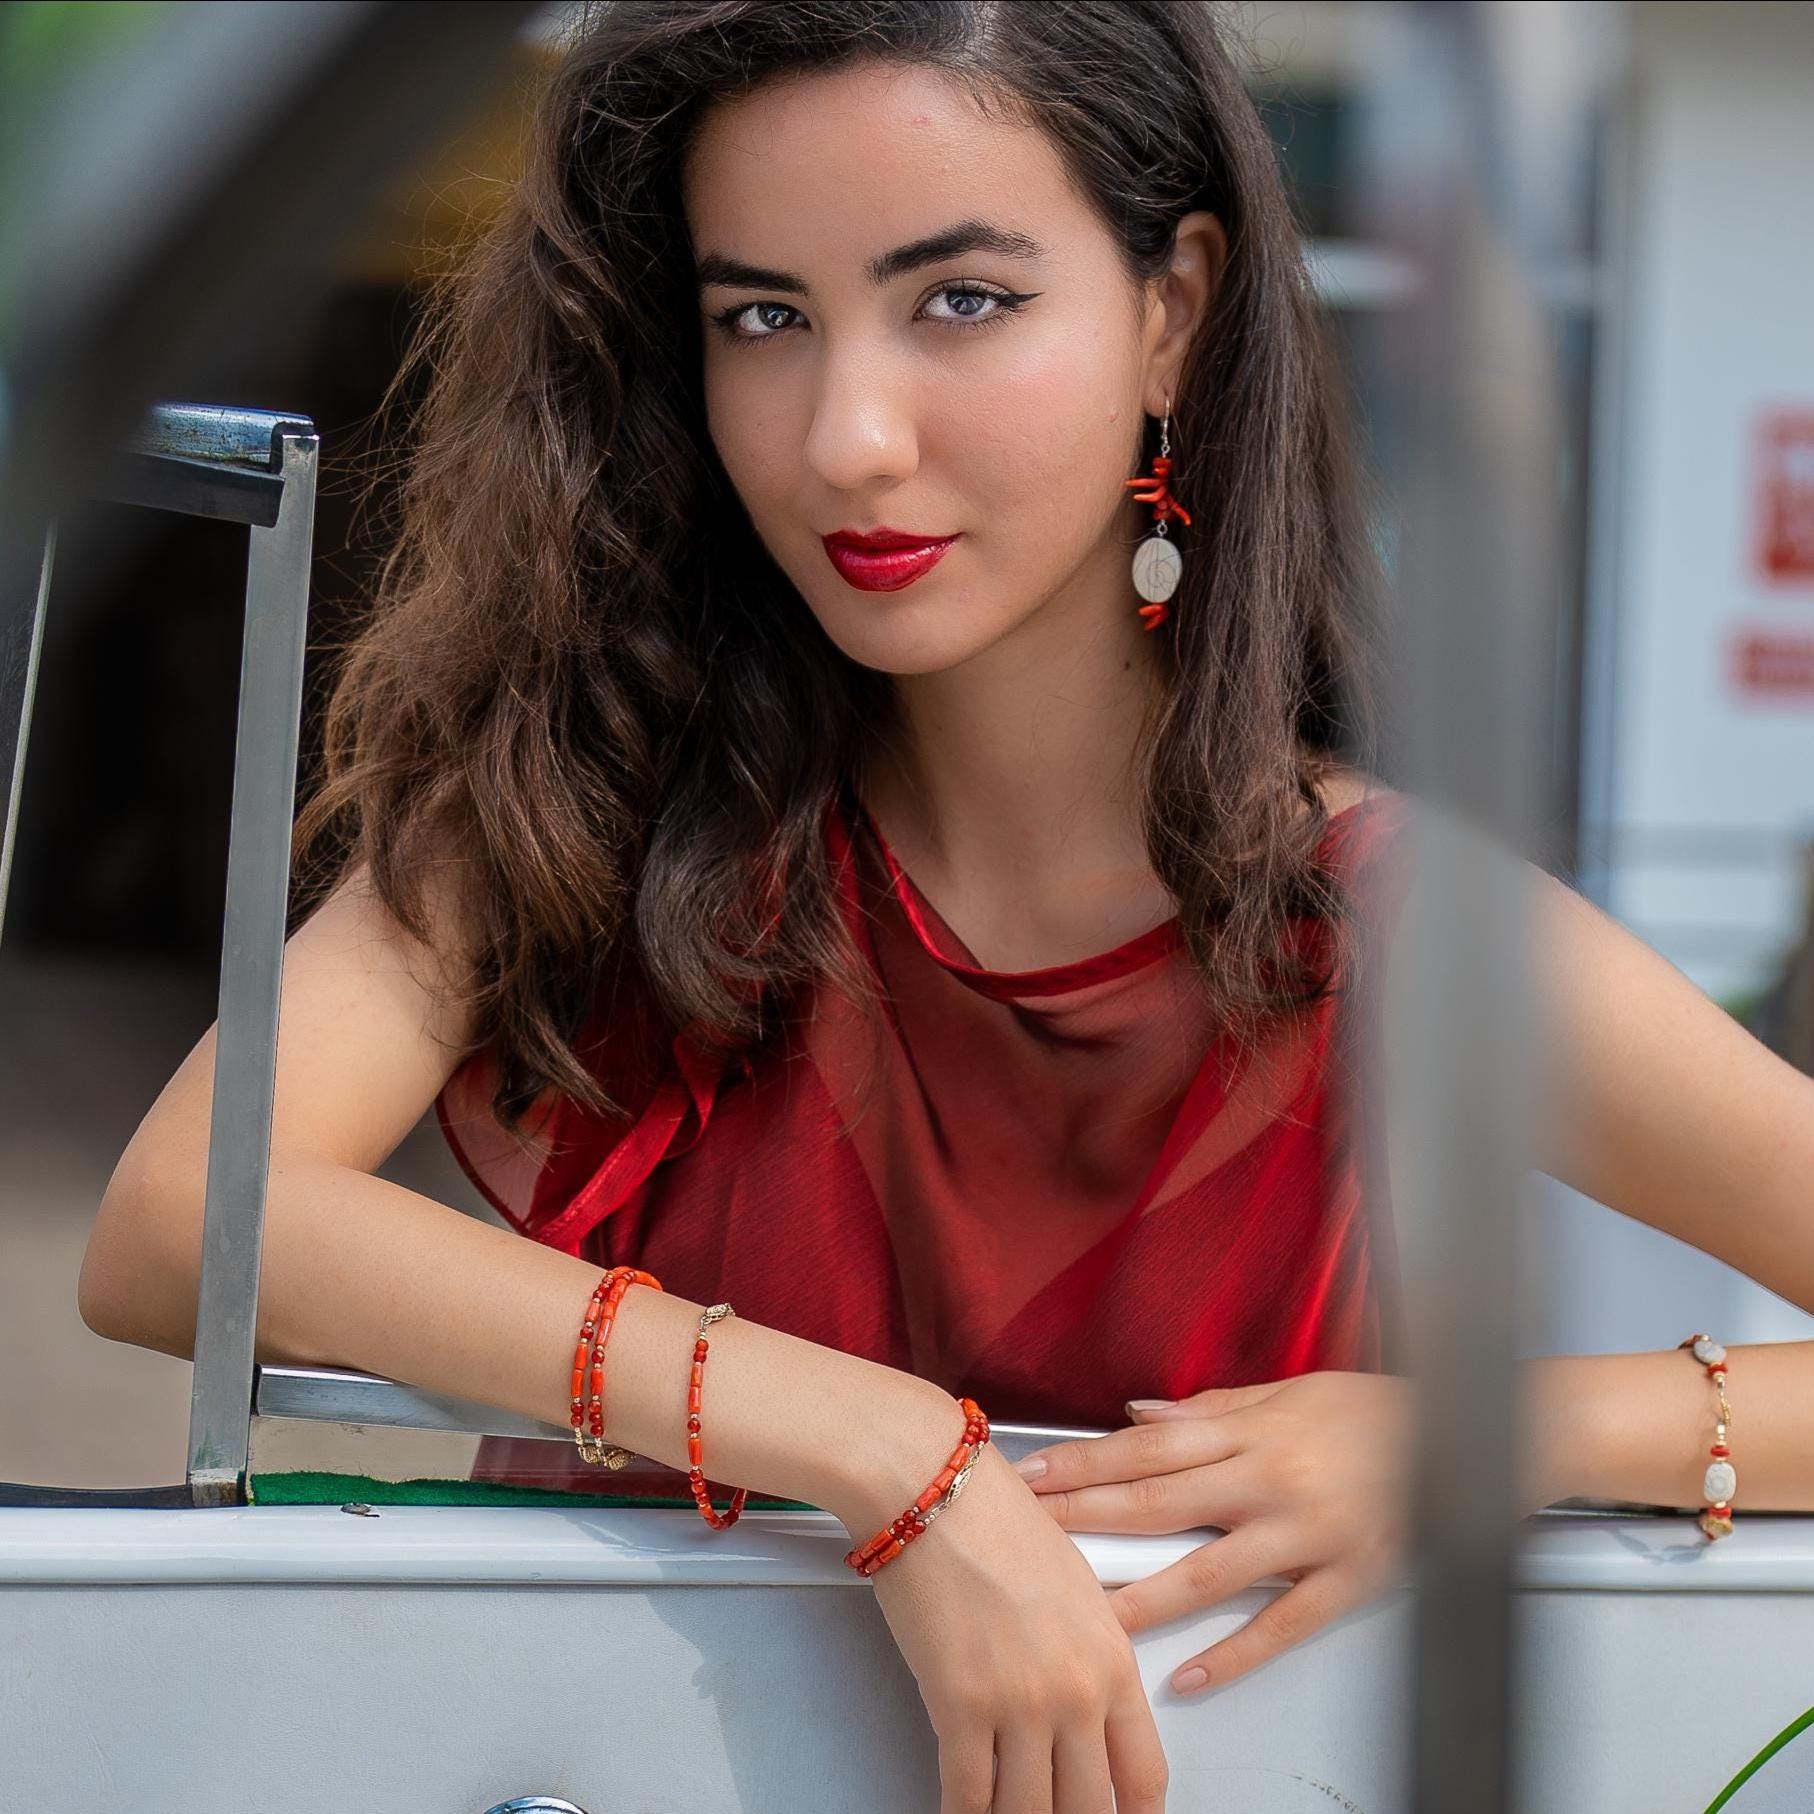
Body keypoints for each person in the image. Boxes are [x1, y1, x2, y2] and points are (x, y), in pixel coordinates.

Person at [79, 6, 1814, 1812]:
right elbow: (174, 1224)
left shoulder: (1387, 925)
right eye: (764, 317)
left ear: (1173, 308)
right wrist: (877, 1447)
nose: (846, 436)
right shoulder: (588, 792)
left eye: (959, 299)